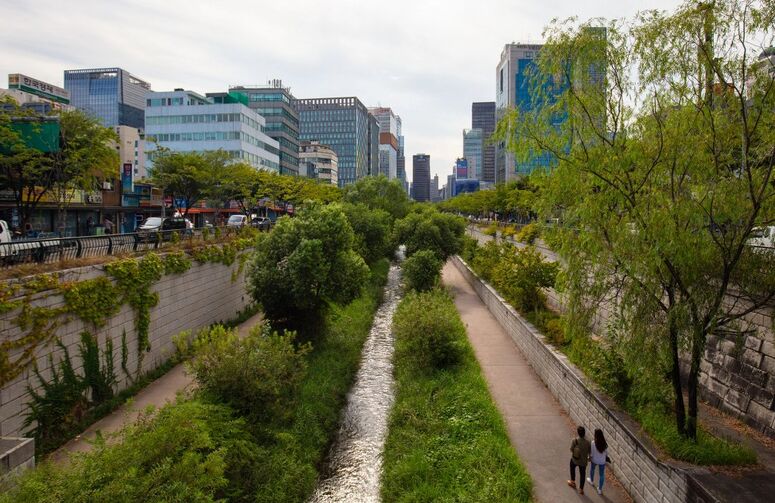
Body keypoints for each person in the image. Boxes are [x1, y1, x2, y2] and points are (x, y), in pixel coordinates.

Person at [567, 425, 591, 495]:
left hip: (575, 459)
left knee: (572, 467)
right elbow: (589, 452)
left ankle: (572, 482)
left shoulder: (574, 440)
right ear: (584, 433)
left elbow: (571, 449)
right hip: (583, 461)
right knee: (582, 474)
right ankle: (581, 489)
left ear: (578, 433)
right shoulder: (587, 442)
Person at [588, 428, 609, 495]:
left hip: (594, 460)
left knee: (592, 469)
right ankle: (599, 489)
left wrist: (589, 458)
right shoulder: (605, 444)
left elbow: (591, 454)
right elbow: (606, 454)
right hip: (602, 461)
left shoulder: (593, 443)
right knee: (601, 475)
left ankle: (591, 481)